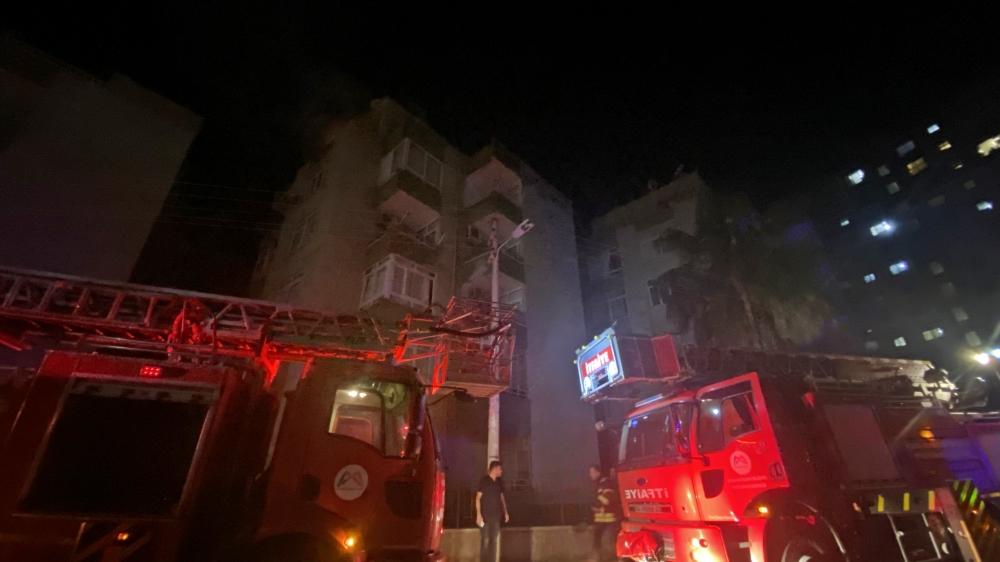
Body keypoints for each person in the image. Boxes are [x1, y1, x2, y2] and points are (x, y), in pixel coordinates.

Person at [476, 460, 509, 562]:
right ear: (494, 469)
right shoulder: (484, 481)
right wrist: (478, 514)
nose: (501, 471)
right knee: (485, 541)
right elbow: (478, 498)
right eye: (500, 469)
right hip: (485, 518)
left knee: (493, 542)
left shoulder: (499, 482)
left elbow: (502, 498)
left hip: (496, 518)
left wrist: (505, 512)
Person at [589, 465, 620, 562]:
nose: (590, 475)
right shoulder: (599, 484)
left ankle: (619, 558)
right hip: (601, 518)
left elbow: (608, 499)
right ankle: (597, 558)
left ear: (598, 472)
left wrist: (599, 507)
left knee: (613, 540)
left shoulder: (606, 483)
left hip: (610, 517)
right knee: (597, 537)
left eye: (592, 472)